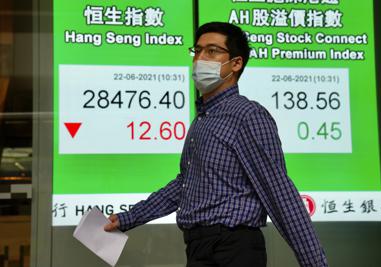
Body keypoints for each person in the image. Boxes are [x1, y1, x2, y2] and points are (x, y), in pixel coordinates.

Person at [105, 22, 328, 267]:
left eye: (212, 51)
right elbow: (185, 185)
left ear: (236, 63)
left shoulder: (247, 115)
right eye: (197, 51)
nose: (200, 58)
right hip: (198, 248)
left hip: (233, 248)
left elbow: (279, 192)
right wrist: (128, 218)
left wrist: (315, 263)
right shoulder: (203, 119)